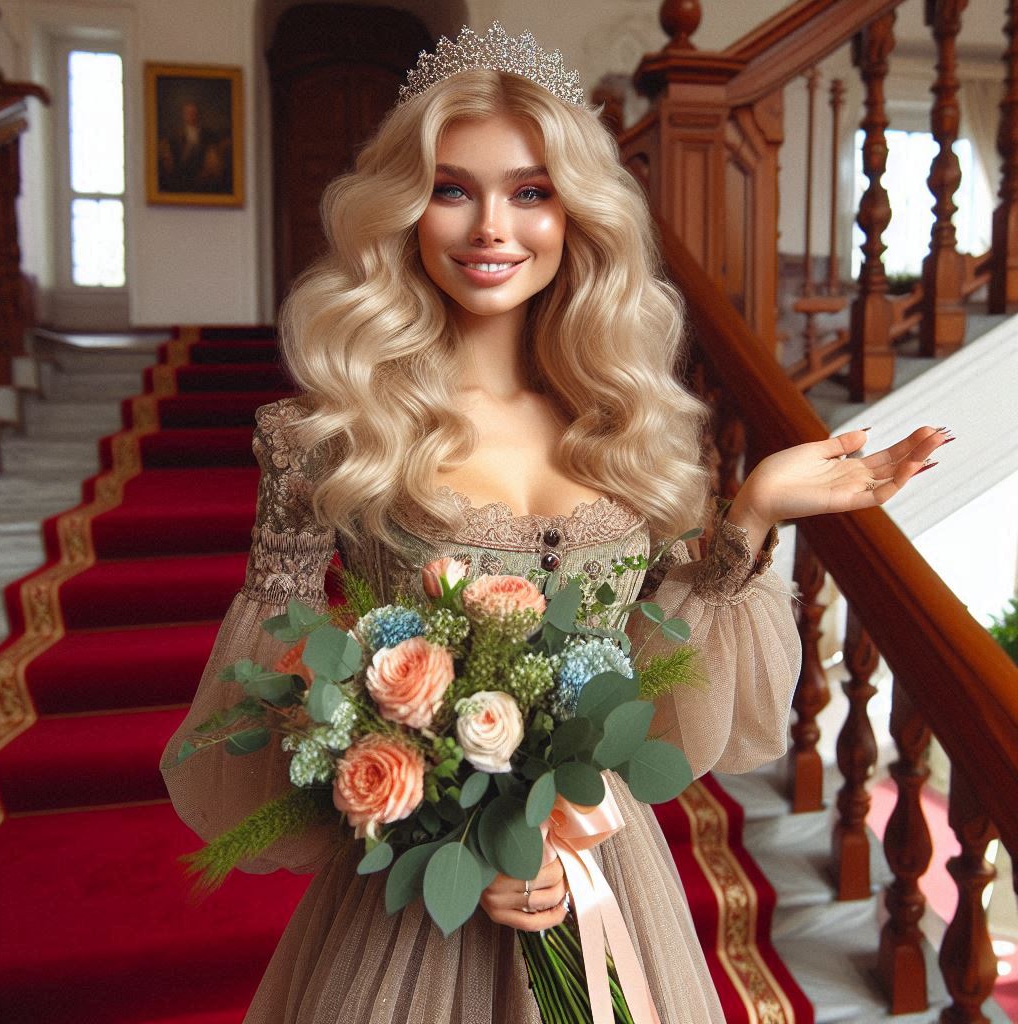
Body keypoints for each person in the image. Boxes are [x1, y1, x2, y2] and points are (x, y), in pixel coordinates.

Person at [160, 22, 949, 1024]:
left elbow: (651, 677)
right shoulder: (331, 434)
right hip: (417, 903)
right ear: (404, 210)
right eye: (453, 189)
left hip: (599, 865)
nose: (493, 227)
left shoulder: (628, 429)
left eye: (530, 192)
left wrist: (750, 509)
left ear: (576, 212)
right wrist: (430, 825)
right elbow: (276, 707)